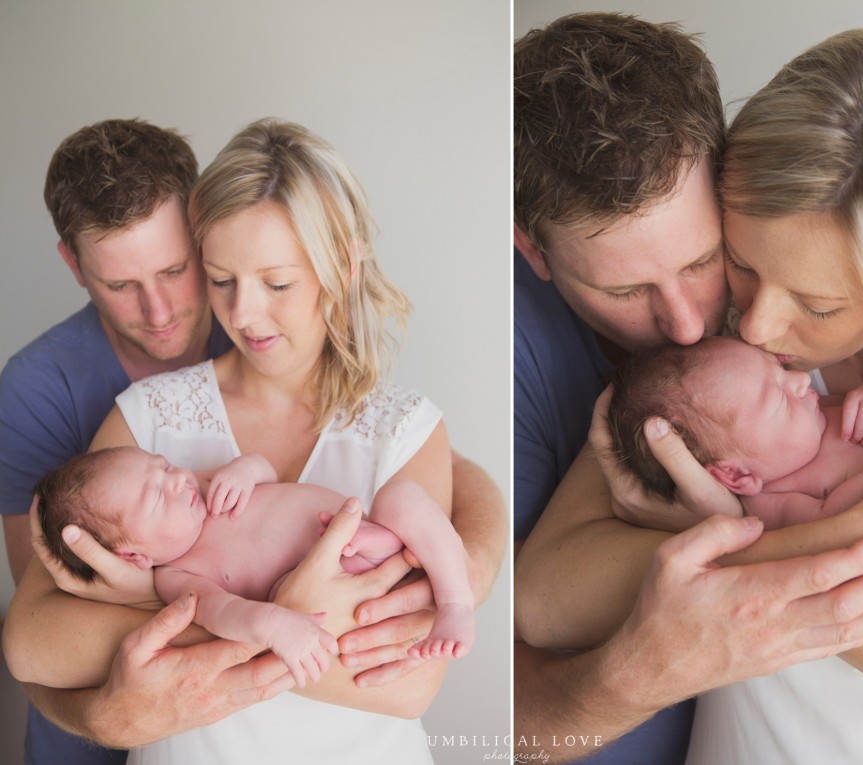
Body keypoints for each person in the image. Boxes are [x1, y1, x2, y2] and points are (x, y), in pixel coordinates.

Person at [519, 25, 863, 765]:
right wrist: (859, 540)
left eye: (816, 306)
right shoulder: (716, 374)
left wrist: (732, 550)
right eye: (742, 266)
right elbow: (543, 595)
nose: (757, 323)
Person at [4, 118, 505, 763]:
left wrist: (164, 617)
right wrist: (256, 617)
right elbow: (31, 641)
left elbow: (408, 688)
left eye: (278, 283)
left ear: (342, 266)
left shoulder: (403, 425)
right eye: (221, 281)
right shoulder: (150, 416)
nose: (243, 315)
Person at [0, 118, 233, 765]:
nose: (158, 312)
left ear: (202, 231)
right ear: (73, 265)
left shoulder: (259, 336)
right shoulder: (34, 387)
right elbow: (46, 613)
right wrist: (105, 718)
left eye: (174, 268)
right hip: (82, 733)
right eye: (121, 285)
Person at [36, 447, 474, 666]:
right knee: (283, 594)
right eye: (156, 497)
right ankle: (372, 551)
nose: (178, 481)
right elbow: (224, 612)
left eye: (164, 465)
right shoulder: (177, 576)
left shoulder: (207, 491)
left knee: (401, 496)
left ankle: (456, 600)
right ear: (134, 557)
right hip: (339, 582)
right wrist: (272, 624)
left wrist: (246, 470)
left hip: (375, 530)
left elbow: (266, 470)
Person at [608, 336, 863, 530]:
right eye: (779, 397)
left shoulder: (818, 411)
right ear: (736, 475)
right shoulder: (769, 502)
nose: (800, 380)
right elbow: (836, 525)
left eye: (780, 371)